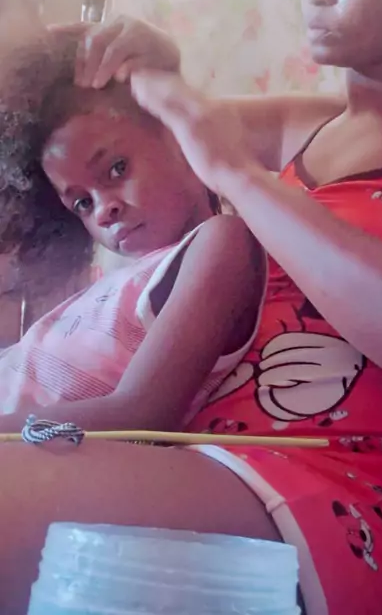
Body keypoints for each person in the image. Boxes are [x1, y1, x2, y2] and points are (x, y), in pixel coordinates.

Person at [0, 0, 382, 615]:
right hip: (216, 459)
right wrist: (154, 65)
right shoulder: (304, 127)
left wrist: (237, 176)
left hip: (362, 487)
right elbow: (149, 135)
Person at [0, 30, 265, 429]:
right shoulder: (120, 282)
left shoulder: (222, 241)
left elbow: (140, 414)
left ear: (179, 135)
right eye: (82, 203)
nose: (103, 211)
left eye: (117, 169)